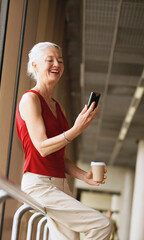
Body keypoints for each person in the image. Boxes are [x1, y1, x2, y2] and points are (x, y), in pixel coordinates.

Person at [16, 42, 113, 239]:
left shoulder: (57, 107)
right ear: (34, 65)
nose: (56, 64)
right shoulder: (30, 100)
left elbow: (59, 156)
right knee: (102, 225)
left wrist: (83, 175)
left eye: (59, 60)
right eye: (49, 60)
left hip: (60, 184)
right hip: (40, 184)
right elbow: (42, 148)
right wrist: (76, 130)